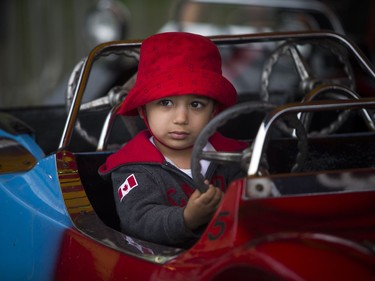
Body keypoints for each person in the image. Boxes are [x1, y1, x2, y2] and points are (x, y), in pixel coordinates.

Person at [99, 32, 248, 248]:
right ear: (143, 110)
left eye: (196, 105)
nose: (181, 119)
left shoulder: (236, 156)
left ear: (214, 111)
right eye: (166, 103)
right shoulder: (132, 167)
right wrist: (187, 218)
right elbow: (137, 221)